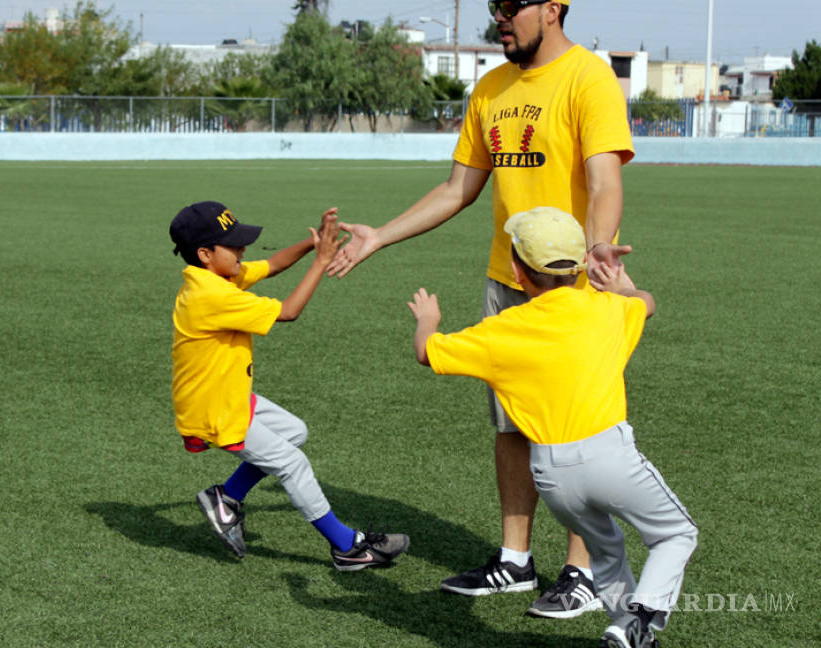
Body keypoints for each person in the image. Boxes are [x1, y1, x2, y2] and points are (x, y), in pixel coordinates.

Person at [326, 0, 635, 618]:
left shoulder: (588, 78)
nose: (498, 16)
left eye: (509, 5)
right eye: (492, 6)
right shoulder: (491, 87)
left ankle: (583, 569)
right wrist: (380, 235)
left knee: (577, 431)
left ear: (552, 9)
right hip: (507, 280)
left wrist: (596, 253)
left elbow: (603, 180)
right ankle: (515, 561)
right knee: (511, 425)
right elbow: (458, 187)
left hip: (572, 286)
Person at [407, 206, 697, 648]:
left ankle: (627, 634)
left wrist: (428, 319)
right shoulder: (607, 310)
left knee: (607, 550)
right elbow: (646, 303)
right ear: (580, 265)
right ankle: (638, 620)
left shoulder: (501, 330)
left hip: (551, 473)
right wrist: (624, 284)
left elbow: (428, 353)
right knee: (676, 534)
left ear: (517, 273)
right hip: (609, 456)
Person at [168, 200, 409, 571]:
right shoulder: (212, 296)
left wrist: (313, 243)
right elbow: (288, 311)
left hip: (226, 397)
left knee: (294, 432)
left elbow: (273, 264)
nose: (242, 250)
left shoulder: (214, 277)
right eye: (232, 245)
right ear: (205, 254)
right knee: (292, 463)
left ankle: (227, 499)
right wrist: (321, 261)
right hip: (215, 409)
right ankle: (348, 547)